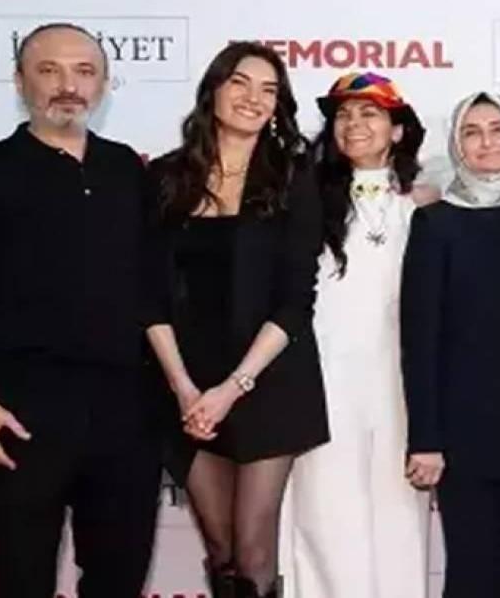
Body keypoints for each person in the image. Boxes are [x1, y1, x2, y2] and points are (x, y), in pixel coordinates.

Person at [0, 23, 161, 598]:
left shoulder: (129, 171)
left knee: (119, 580)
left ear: (103, 85)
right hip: (20, 409)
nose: (68, 85)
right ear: (19, 82)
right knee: (19, 579)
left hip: (126, 409)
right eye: (49, 70)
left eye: (84, 72)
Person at [144, 41, 328, 598]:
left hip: (268, 380)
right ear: (214, 90)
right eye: (240, 83)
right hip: (186, 383)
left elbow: (295, 300)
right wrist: (184, 390)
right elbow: (147, 296)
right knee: (221, 549)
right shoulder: (166, 176)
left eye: (269, 90)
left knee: (252, 552)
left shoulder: (293, 176)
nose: (253, 98)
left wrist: (232, 388)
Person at [278, 73, 432, 598]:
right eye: (343, 114)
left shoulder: (424, 207)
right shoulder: (304, 201)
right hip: (322, 385)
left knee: (399, 522)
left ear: (397, 129)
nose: (354, 123)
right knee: (325, 520)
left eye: (370, 113)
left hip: (399, 387)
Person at [402, 90, 500, 597]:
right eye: (472, 132)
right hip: (460, 433)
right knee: (470, 567)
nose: (486, 143)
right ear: (457, 145)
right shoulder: (435, 222)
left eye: (498, 130)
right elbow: (420, 338)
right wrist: (426, 438)